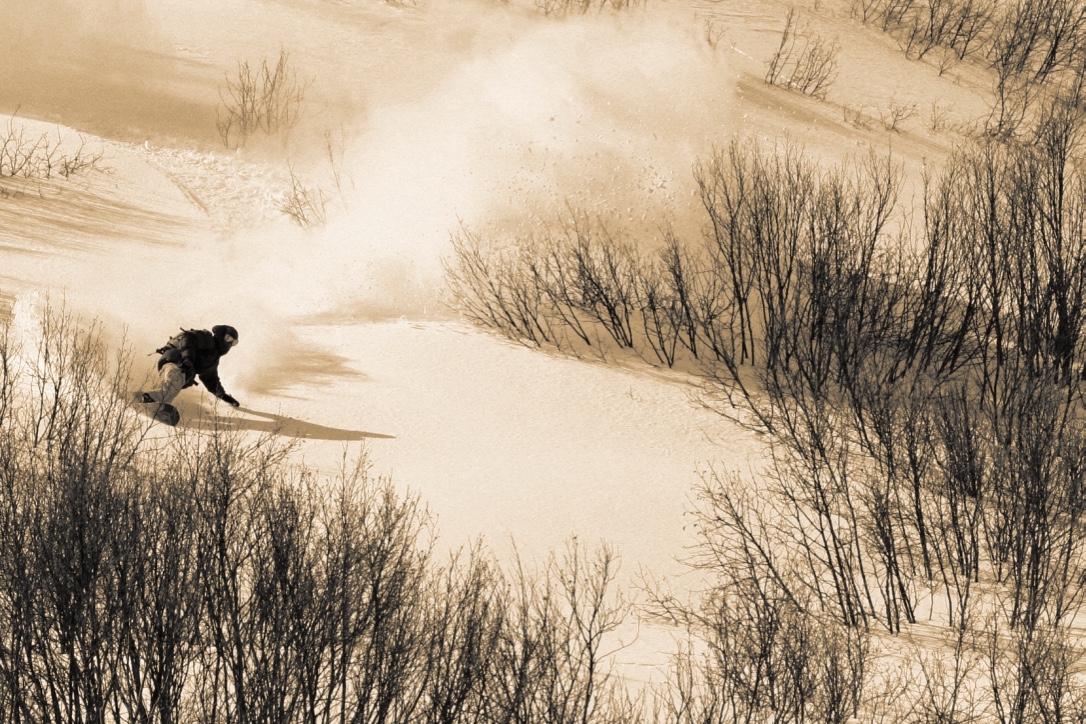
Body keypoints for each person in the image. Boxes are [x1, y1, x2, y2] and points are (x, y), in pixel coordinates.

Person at [138, 325, 241, 408]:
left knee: (171, 391)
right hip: (177, 362)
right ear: (220, 334)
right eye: (227, 338)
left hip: (180, 370)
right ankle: (148, 399)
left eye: (233, 342)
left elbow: (211, 381)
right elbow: (189, 338)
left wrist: (225, 397)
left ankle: (153, 405)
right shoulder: (207, 338)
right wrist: (187, 358)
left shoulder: (212, 360)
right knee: (171, 387)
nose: (229, 342)